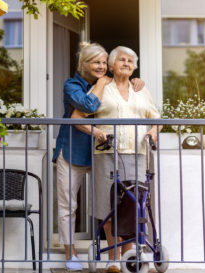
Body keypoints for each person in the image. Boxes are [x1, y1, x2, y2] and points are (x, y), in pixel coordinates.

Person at [52, 42, 144, 271]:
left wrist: (134, 82)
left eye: (104, 62)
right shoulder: (72, 84)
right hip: (72, 150)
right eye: (96, 62)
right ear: (84, 64)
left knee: (112, 203)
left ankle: (121, 255)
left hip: (101, 154)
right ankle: (70, 253)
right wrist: (103, 82)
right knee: (68, 205)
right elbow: (86, 104)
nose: (102, 67)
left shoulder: (108, 85)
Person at [72, 46, 160, 273]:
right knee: (108, 206)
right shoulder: (101, 89)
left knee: (133, 206)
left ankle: (129, 258)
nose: (127, 63)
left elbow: (156, 117)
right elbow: (77, 118)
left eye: (131, 61)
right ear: (111, 65)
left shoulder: (140, 90)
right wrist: (98, 133)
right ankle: (113, 258)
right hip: (107, 154)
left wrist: (153, 132)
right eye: (122, 59)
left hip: (137, 154)